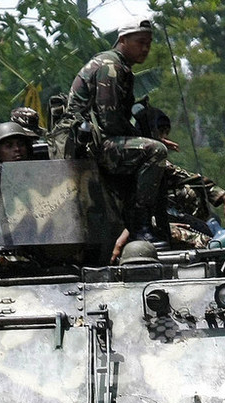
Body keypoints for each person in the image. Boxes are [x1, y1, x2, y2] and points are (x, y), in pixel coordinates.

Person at [65, 17, 173, 241]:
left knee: (157, 154)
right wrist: (146, 141)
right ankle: (139, 224)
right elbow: (111, 122)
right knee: (156, 152)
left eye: (149, 43)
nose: (145, 48)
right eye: (140, 42)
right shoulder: (111, 67)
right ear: (123, 40)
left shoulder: (119, 66)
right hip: (90, 145)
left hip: (98, 140)